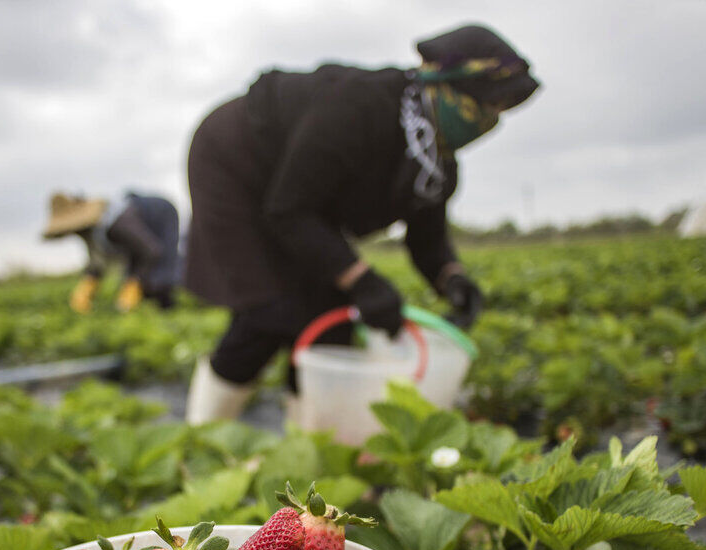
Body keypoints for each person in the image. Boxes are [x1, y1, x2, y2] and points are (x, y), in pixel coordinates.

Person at [181, 23, 540, 424]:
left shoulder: (434, 162)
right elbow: (290, 210)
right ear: (443, 84)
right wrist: (363, 280)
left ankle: (308, 458)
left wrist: (451, 278)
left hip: (303, 204)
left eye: (499, 111)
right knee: (270, 310)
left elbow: (427, 238)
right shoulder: (360, 108)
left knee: (330, 321)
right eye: (485, 105)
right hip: (238, 166)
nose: (490, 119)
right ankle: (203, 443)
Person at [41, 191, 182, 312]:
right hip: (140, 238)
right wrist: (88, 285)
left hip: (161, 216)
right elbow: (98, 260)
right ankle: (149, 308)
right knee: (131, 279)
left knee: (159, 277)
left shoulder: (117, 224)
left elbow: (152, 250)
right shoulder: (91, 232)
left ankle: (168, 310)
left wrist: (135, 281)